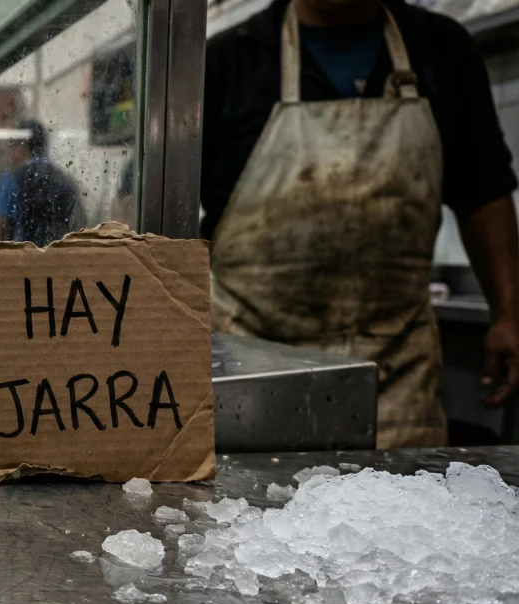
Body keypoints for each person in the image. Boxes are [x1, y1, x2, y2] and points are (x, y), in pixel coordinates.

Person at [202, 0, 519, 448]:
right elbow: (163, 210)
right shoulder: (230, 59)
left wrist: (508, 314)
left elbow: (483, 193)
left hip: (396, 375)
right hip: (252, 371)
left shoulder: (440, 48)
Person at [0, 119, 82, 245]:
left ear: (22, 146)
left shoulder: (11, 179)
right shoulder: (65, 179)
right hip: (60, 251)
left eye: (12, 144)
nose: (8, 151)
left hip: (25, 252)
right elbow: (77, 222)